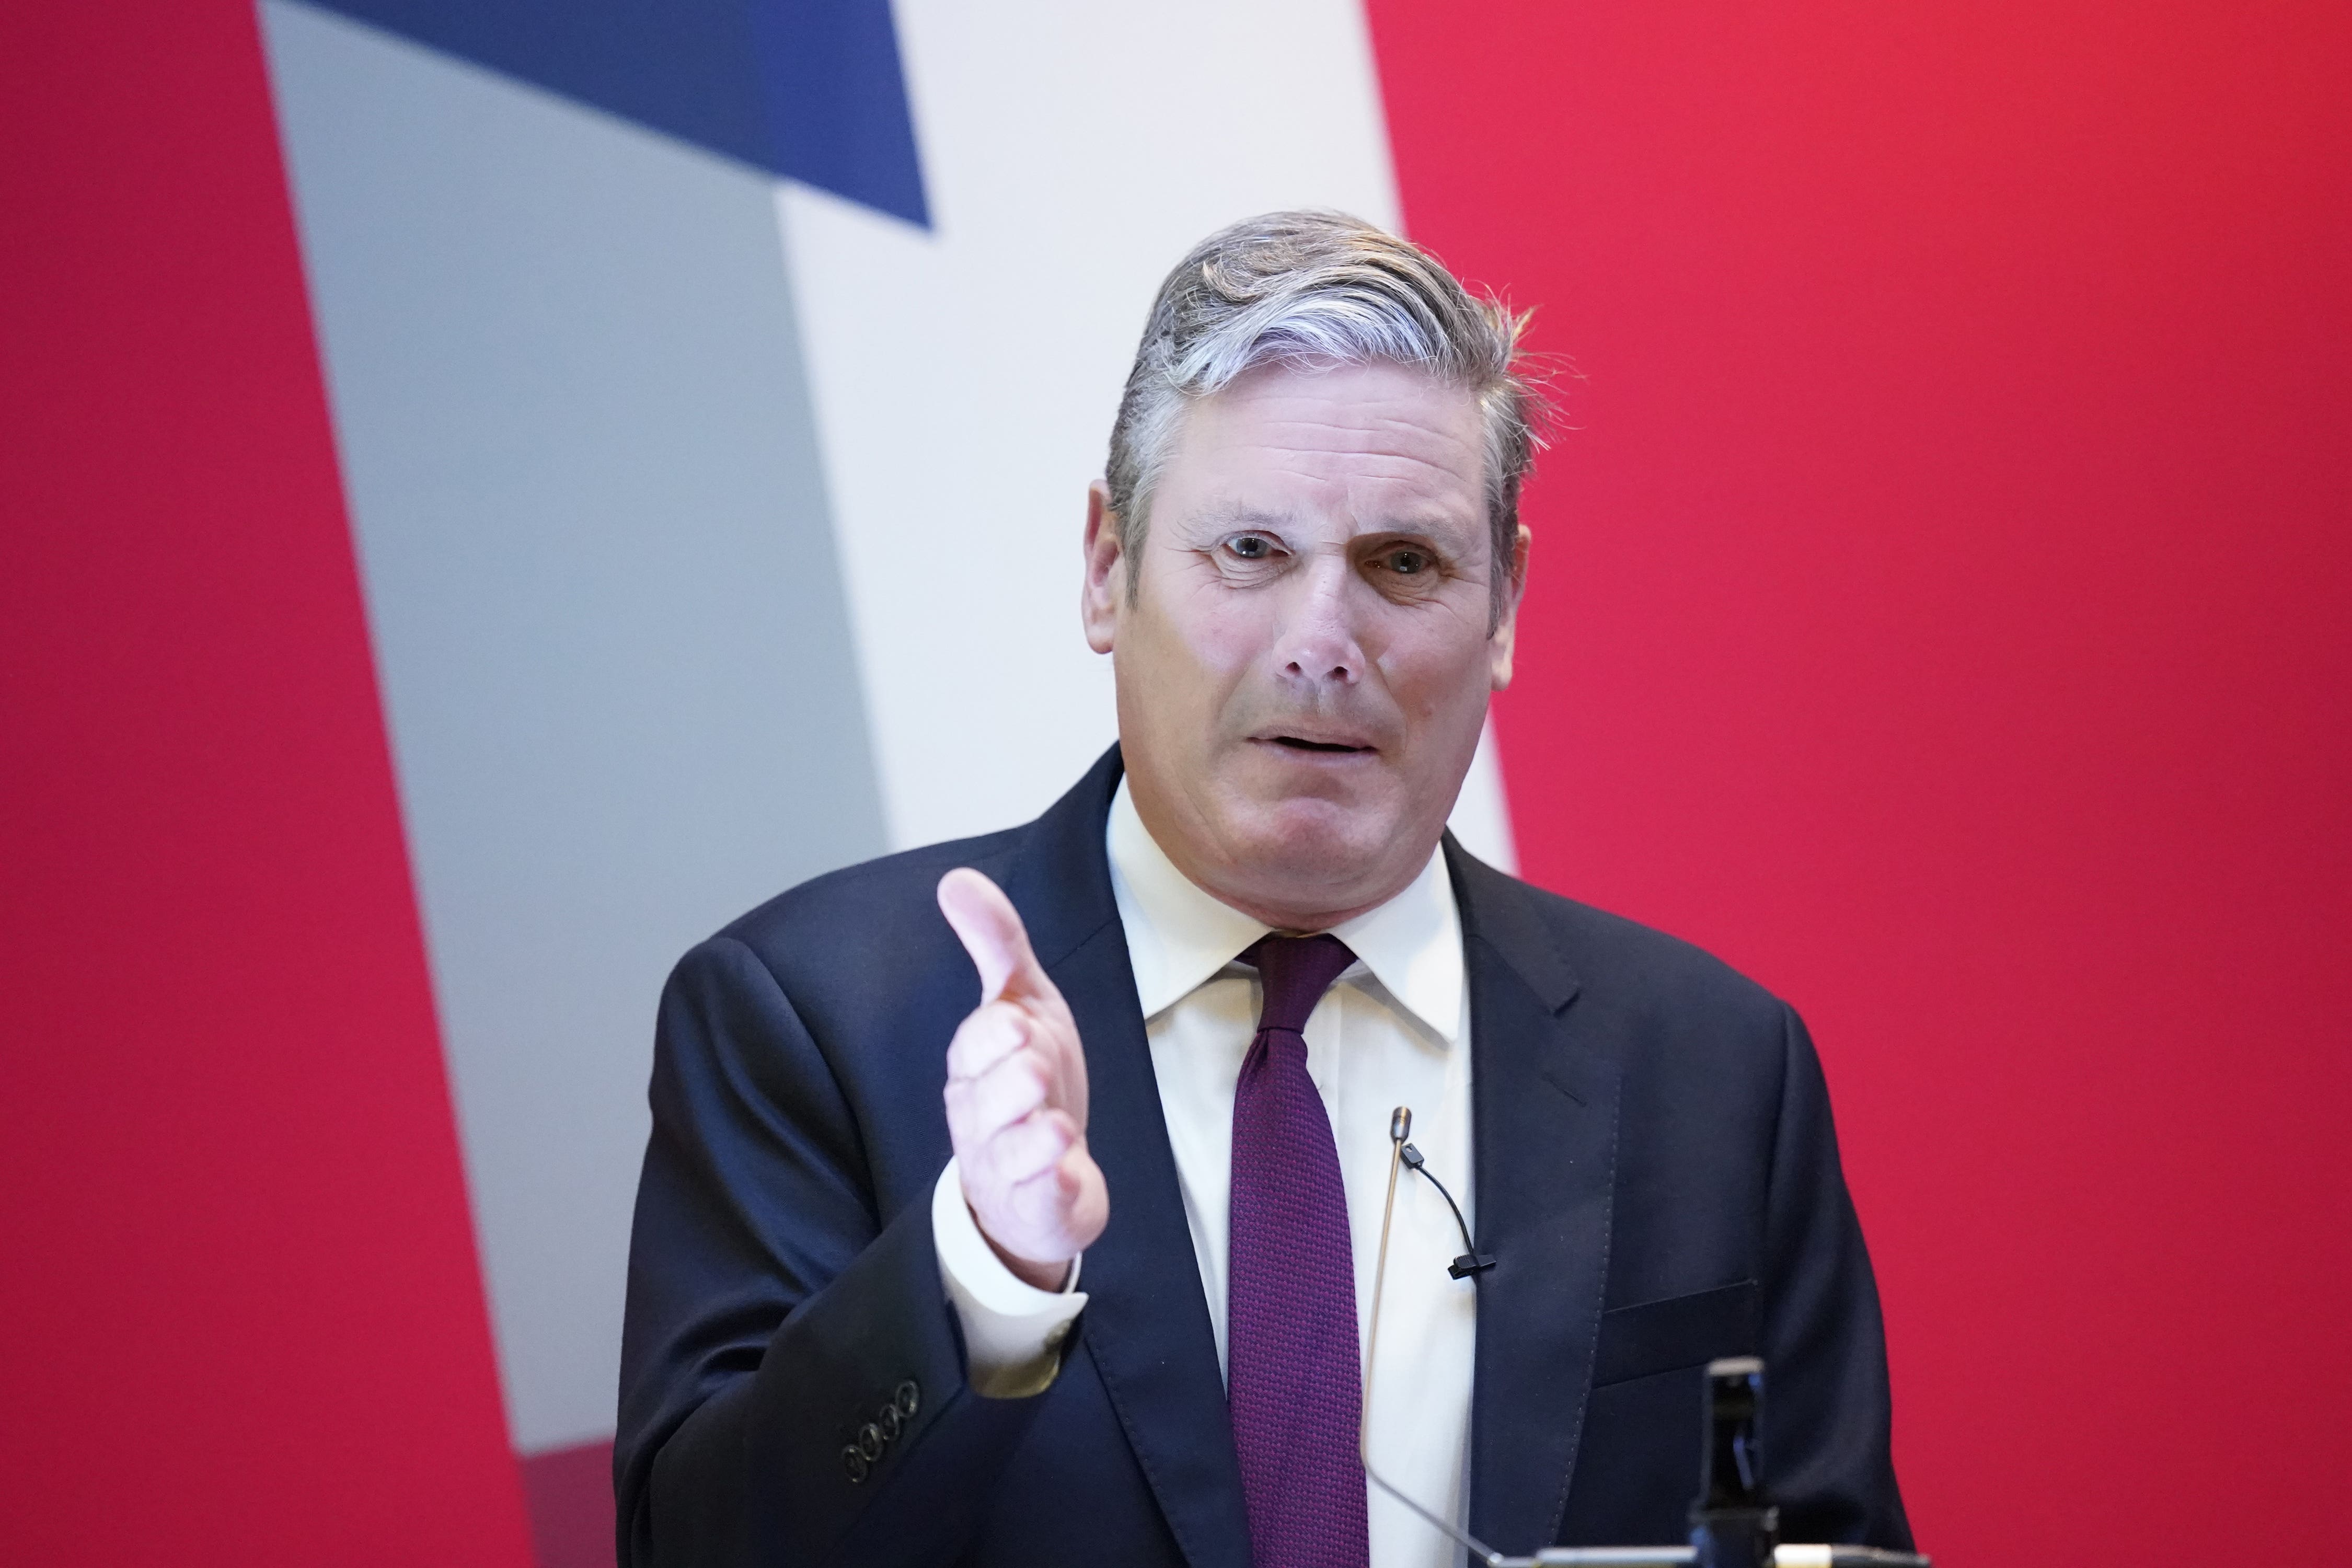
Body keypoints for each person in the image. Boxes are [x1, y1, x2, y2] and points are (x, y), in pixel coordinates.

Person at [615, 211, 1911, 1568]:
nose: (1321, 645)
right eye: (1249, 553)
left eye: (1400, 564)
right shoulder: (813, 1019)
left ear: (1506, 602)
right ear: (1106, 569)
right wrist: (982, 1279)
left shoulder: (1710, 1067)